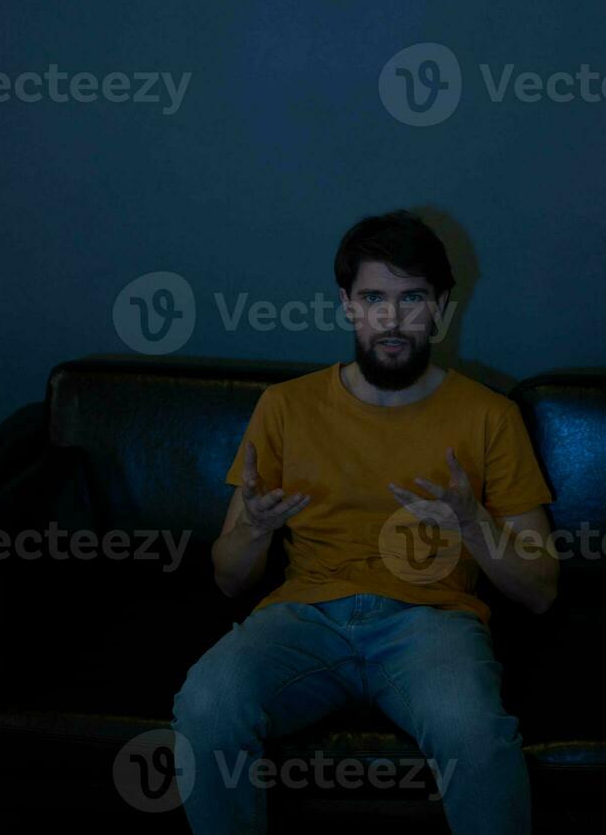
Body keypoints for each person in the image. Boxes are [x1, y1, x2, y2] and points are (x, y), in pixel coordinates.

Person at [172, 210, 558, 834]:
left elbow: (540, 590)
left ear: (439, 308)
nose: (392, 319)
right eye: (374, 297)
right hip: (305, 617)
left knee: (477, 736)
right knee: (206, 704)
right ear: (347, 306)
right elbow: (228, 580)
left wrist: (472, 523)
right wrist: (256, 530)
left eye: (412, 299)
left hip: (430, 625)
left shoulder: (490, 416)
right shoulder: (284, 408)